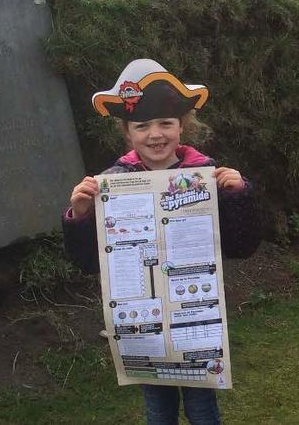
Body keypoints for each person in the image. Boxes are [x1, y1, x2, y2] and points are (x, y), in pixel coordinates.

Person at [63, 58, 261, 425]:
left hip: (195, 318)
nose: (155, 134)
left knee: (203, 407)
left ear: (181, 126)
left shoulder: (206, 177)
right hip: (142, 327)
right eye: (142, 125)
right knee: (158, 409)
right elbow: (90, 263)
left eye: (166, 123)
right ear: (127, 132)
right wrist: (79, 215)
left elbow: (241, 246)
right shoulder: (111, 183)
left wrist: (238, 195)